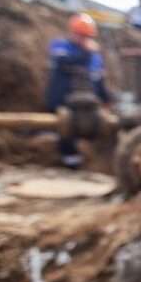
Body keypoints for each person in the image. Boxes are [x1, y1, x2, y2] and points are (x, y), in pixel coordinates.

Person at [45, 13, 110, 169]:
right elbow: (62, 63)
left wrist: (106, 99)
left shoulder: (95, 57)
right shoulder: (60, 46)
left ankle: (91, 161)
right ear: (72, 32)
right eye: (80, 35)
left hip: (86, 103)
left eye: (86, 36)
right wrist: (86, 53)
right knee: (66, 129)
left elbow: (98, 80)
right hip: (61, 98)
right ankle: (70, 162)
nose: (83, 39)